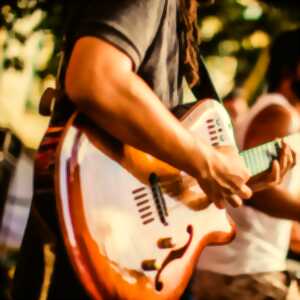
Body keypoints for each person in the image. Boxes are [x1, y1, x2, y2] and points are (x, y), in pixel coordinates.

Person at [11, 1, 294, 300]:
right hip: (94, 237)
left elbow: (152, 161)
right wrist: (205, 161)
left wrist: (231, 180)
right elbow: (96, 76)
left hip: (119, 243)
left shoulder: (178, 17)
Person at [191, 28, 300, 300]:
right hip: (244, 271)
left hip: (235, 268)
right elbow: (252, 187)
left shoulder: (274, 111)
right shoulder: (279, 114)